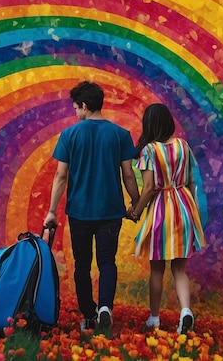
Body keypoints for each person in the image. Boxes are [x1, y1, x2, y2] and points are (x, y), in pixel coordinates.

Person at [43, 80, 140, 331]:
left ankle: (88, 313)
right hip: (111, 211)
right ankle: (105, 307)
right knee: (107, 261)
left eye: (76, 108)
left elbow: (61, 176)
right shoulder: (120, 135)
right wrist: (136, 203)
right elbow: (128, 175)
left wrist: (52, 211)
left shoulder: (70, 135)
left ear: (84, 106)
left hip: (80, 211)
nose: (76, 113)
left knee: (82, 264)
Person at [127, 103, 206, 334]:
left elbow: (150, 187)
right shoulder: (183, 145)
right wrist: (191, 211)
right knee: (180, 270)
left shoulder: (149, 150)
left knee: (157, 269)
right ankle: (186, 312)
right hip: (185, 207)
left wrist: (137, 211)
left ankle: (154, 318)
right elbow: (191, 182)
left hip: (162, 208)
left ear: (149, 124)